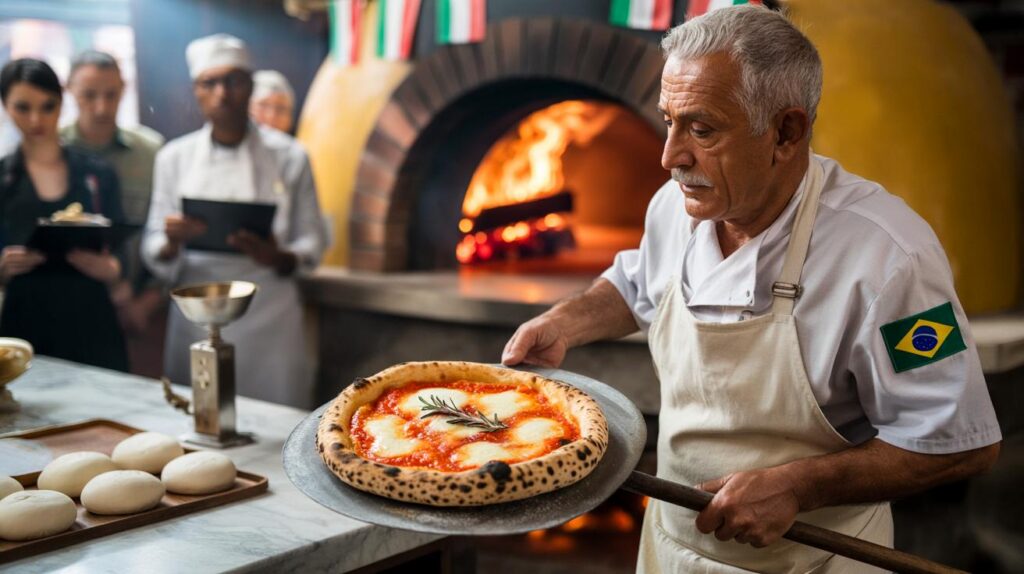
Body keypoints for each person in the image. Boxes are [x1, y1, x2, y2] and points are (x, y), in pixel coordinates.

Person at [502, 6, 1001, 573]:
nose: (670, 157)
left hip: (812, 561)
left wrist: (798, 487)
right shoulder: (677, 205)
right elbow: (637, 281)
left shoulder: (888, 257)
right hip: (670, 551)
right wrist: (564, 322)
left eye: (702, 129)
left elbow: (959, 440)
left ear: (787, 132)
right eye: (668, 120)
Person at [141, 34, 327, 407]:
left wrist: (277, 255)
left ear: (250, 85)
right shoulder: (173, 157)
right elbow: (151, 241)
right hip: (197, 306)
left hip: (269, 307)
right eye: (210, 83)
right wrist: (173, 238)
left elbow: (313, 240)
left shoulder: (290, 156)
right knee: (200, 417)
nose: (222, 93)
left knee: (276, 419)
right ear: (196, 91)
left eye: (233, 80)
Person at [0, 58, 128, 371]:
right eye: (22, 107)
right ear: (5, 106)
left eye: (47, 106)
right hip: (26, 321)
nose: (36, 119)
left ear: (62, 101)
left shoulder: (97, 174)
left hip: (91, 316)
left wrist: (113, 269)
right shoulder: (4, 179)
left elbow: (121, 246)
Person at [61, 50, 166, 344]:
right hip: (66, 311)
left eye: (111, 95)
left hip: (136, 310)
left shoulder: (151, 153)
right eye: (89, 95)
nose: (101, 107)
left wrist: (146, 302)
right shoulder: (51, 152)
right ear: (69, 89)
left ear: (124, 89)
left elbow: (167, 232)